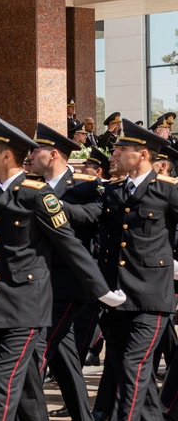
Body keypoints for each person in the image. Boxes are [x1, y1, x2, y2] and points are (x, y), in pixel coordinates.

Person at [0, 115, 123, 421]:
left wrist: (102, 290)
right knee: (34, 378)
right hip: (0, 299)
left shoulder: (44, 193)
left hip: (39, 297)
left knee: (11, 376)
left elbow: (73, 244)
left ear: (5, 155)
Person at [24, 123, 106, 421]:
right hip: (40, 283)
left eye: (36, 150)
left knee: (34, 355)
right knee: (64, 356)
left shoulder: (84, 185)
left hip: (67, 284)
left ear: (54, 154)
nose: (30, 155)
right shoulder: (33, 185)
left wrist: (55, 207)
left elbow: (93, 215)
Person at [98, 119, 178, 421]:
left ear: (142, 154)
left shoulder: (167, 191)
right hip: (119, 298)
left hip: (152, 299)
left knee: (133, 368)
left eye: (122, 148)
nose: (115, 152)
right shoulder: (115, 191)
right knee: (124, 370)